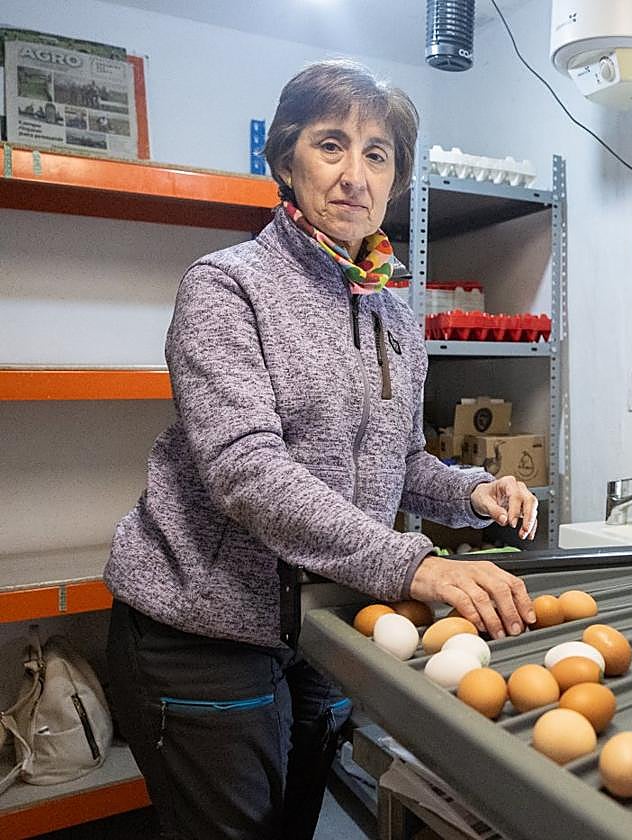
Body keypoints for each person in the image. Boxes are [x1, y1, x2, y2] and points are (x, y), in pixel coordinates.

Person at [104, 60, 538, 840]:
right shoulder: (226, 286)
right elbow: (246, 472)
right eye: (331, 145)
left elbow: (397, 462)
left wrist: (474, 492)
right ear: (283, 161)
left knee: (296, 825)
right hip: (206, 635)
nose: (354, 175)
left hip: (322, 623)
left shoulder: (391, 310)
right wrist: (414, 563)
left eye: (376, 155)